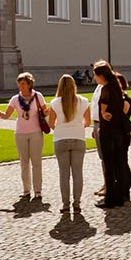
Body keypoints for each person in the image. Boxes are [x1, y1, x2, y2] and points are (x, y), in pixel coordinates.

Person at [0, 71, 48, 202]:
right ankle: (26, 190)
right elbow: (6, 115)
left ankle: (38, 191)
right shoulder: (15, 99)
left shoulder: (38, 96)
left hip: (36, 132)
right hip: (20, 133)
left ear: (29, 84)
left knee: (36, 162)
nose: (20, 86)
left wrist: (50, 111)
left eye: (23, 84)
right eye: (19, 84)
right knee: (24, 162)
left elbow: (45, 111)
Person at [91, 59, 131, 208]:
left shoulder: (106, 89)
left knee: (109, 166)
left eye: (95, 75)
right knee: (120, 163)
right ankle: (121, 195)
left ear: (101, 76)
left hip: (108, 132)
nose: (94, 78)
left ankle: (110, 199)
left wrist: (104, 114)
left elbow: (104, 113)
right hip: (119, 132)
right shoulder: (116, 88)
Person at [48, 73, 90, 215]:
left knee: (64, 174)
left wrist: (61, 128)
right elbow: (87, 121)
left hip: (61, 139)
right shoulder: (83, 101)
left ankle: (65, 205)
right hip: (78, 138)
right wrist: (77, 126)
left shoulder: (55, 103)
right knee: (78, 173)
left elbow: (50, 124)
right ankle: (77, 204)